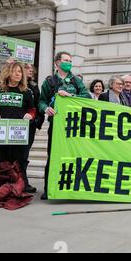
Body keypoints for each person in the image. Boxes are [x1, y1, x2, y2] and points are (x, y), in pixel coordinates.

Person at [38, 51, 91, 200]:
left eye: (70, 60)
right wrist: (46, 109)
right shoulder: (49, 82)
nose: (69, 62)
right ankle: (49, 188)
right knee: (53, 156)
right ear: (57, 63)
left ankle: (71, 187)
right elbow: (41, 101)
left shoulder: (76, 81)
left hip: (74, 126)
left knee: (73, 156)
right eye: (66, 60)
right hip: (56, 126)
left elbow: (86, 96)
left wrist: (71, 97)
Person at [0, 62, 36, 193]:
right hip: (1, 133)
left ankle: (15, 190)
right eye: (15, 71)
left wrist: (29, 115)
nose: (18, 74)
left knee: (17, 162)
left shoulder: (26, 91)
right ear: (8, 72)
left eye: (20, 72)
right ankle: (1, 190)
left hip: (18, 134)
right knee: (2, 161)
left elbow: (32, 110)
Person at [22, 64, 44, 193]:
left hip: (29, 125)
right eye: (26, 68)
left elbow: (38, 104)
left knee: (24, 155)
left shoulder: (34, 87)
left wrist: (37, 121)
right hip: (13, 124)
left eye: (32, 69)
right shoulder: (10, 84)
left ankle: (23, 182)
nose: (30, 70)